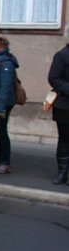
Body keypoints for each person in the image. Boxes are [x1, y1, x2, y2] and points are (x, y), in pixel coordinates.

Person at [0, 36, 19, 175]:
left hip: (3, 103)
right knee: (0, 131)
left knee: (2, 132)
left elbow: (5, 87)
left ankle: (5, 162)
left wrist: (1, 107)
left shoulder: (6, 63)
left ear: (2, 48)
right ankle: (1, 159)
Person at [47, 25, 69, 185]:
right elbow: (54, 78)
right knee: (64, 139)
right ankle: (62, 172)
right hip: (64, 105)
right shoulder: (61, 55)